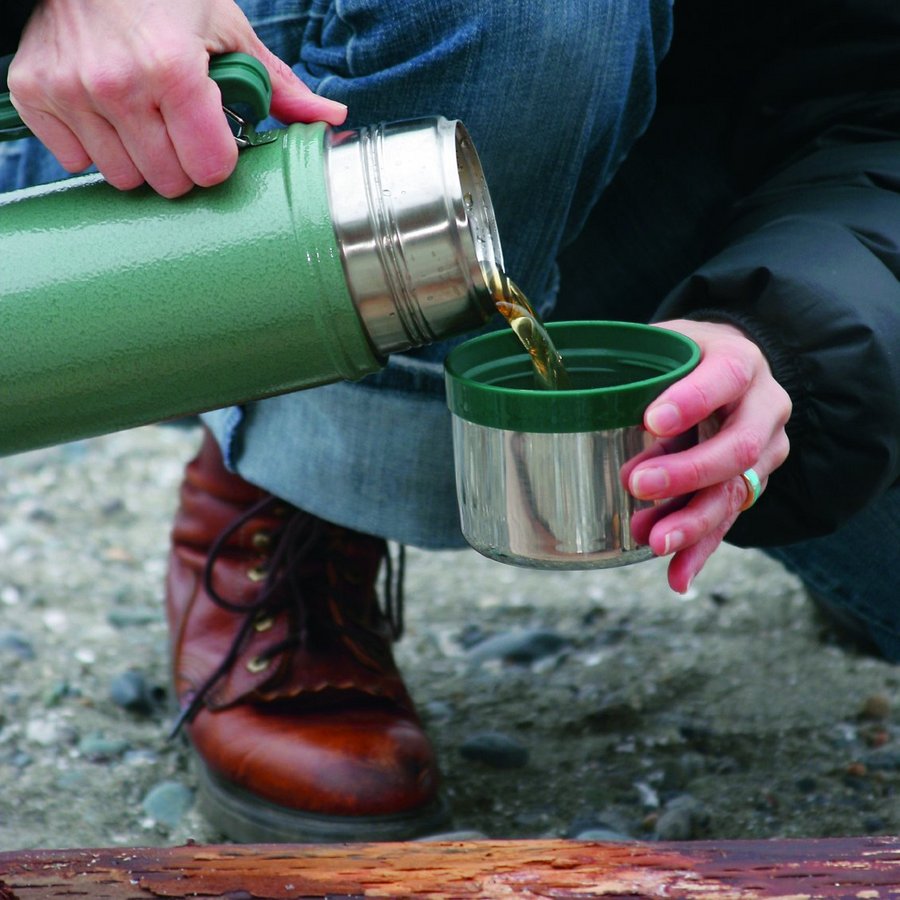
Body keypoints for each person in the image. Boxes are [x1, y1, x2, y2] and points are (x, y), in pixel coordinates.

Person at [1, 0, 898, 843]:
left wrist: (782, 343)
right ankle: (296, 494)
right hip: (195, 92)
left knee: (856, 438)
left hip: (702, 168)